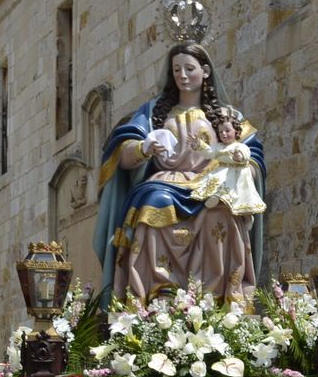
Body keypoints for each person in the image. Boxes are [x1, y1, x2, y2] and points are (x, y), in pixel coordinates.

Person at [94, 41, 266, 304]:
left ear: (205, 71)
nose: (182, 76)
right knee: (152, 203)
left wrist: (240, 166)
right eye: (177, 70)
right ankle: (156, 294)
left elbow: (253, 156)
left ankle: (216, 297)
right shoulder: (153, 114)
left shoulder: (228, 116)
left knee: (220, 211)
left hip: (212, 184)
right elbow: (122, 153)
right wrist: (144, 147)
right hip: (166, 183)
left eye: (189, 68)